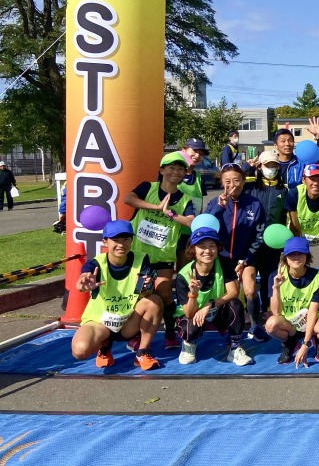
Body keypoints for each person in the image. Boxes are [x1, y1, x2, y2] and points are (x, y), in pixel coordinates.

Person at [124, 151, 195, 349]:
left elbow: (191, 222)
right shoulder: (148, 187)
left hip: (164, 254)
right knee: (141, 295)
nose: (176, 172)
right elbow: (129, 199)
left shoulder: (185, 199)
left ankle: (170, 332)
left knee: (164, 293)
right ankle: (137, 334)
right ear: (162, 170)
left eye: (180, 169)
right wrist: (155, 208)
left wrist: (170, 214)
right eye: (171, 167)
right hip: (139, 255)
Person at [70, 220, 162, 371]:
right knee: (80, 351)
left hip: (128, 321)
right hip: (99, 323)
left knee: (154, 301)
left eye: (125, 239)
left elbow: (144, 292)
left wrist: (146, 287)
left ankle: (142, 353)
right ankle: (104, 347)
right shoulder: (95, 264)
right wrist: (82, 285)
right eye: (115, 240)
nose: (121, 244)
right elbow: (82, 282)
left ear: (132, 240)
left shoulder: (141, 259)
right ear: (105, 242)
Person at [204, 162, 266, 341]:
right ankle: (221, 323)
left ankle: (255, 325)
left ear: (244, 181)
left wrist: (245, 259)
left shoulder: (254, 204)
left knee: (250, 289)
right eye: (227, 181)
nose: (232, 185)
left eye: (236, 180)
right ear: (222, 182)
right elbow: (205, 225)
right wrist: (219, 207)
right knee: (225, 295)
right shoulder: (215, 203)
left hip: (245, 256)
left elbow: (259, 235)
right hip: (221, 258)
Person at [174, 227, 251, 366]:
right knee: (188, 326)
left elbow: (233, 292)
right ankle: (189, 345)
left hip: (216, 309)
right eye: (202, 247)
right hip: (195, 314)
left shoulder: (223, 262)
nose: (207, 251)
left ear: (218, 247)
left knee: (236, 305)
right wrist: (193, 293)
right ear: (193, 249)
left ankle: (235, 348)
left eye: (212, 246)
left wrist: (209, 305)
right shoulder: (183, 276)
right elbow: (189, 313)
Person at [266, 236, 319, 367]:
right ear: (285, 257)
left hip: (313, 320)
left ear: (307, 256)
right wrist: (276, 288)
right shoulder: (275, 276)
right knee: (271, 325)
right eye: (292, 255)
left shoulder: (317, 277)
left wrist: (306, 344)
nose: (296, 258)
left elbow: (312, 313)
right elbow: (276, 313)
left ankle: (318, 340)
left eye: (300, 254)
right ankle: (291, 342)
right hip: (290, 322)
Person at [247, 150, 289, 337]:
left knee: (269, 278)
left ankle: (267, 309)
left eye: (274, 165)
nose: (271, 169)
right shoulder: (250, 187)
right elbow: (232, 176)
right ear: (259, 167)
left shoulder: (283, 190)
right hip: (251, 241)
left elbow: (284, 217)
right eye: (267, 165)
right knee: (248, 282)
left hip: (273, 242)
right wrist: (246, 167)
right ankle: (251, 317)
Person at [286, 163, 319, 272]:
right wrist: (301, 247)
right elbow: (294, 225)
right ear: (303, 180)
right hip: (299, 232)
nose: (316, 183)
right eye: (312, 179)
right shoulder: (294, 194)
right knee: (296, 265)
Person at [273, 118, 319, 188]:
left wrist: (318, 137)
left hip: (298, 199)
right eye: (283, 141)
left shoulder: (303, 163)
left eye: (290, 140)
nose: (287, 144)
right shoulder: (270, 164)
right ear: (276, 145)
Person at [176, 137, 209, 215]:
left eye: (201, 154)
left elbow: (199, 205)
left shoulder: (200, 178)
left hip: (190, 224)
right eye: (194, 151)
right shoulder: (170, 174)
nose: (197, 155)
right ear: (183, 151)